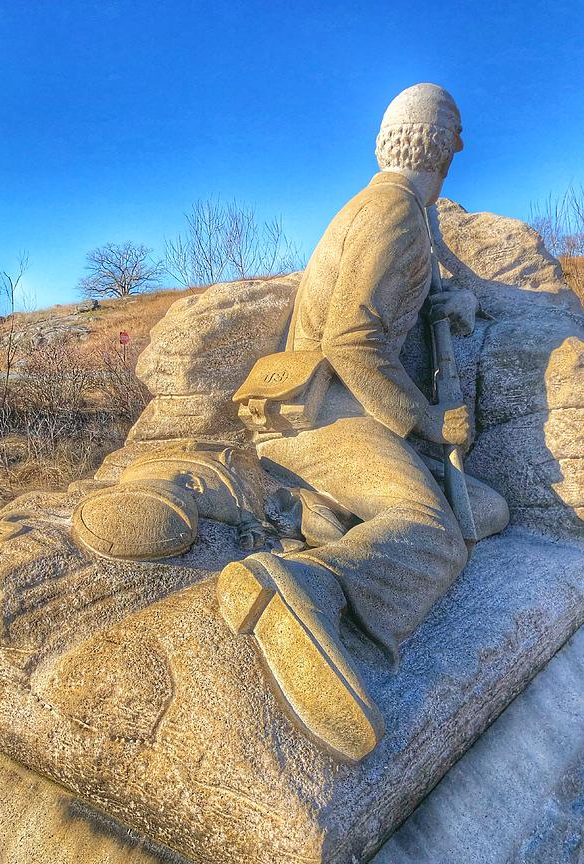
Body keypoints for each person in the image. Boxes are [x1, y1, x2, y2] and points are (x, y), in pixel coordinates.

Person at [218, 84, 480, 762]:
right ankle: (309, 586)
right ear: (447, 142)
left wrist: (441, 296)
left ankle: (308, 513)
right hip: (323, 421)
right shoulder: (393, 214)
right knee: (433, 535)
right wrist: (426, 421)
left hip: (333, 415)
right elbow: (351, 342)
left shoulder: (393, 208)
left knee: (486, 508)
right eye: (456, 136)